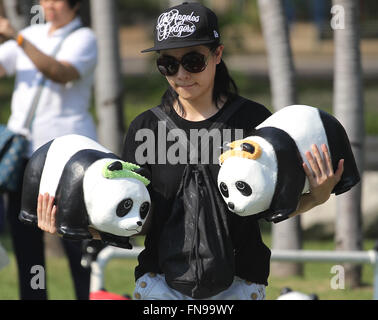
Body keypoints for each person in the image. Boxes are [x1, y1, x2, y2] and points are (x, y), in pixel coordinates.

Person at [38, 1, 343, 300]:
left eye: (193, 61)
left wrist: (317, 196)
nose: (181, 74)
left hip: (240, 284)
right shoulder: (145, 128)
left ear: (218, 54)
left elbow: (266, 208)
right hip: (159, 285)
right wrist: (76, 226)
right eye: (168, 64)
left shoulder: (253, 121)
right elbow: (135, 219)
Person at [0, 0, 97, 300]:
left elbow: (59, 72)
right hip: (25, 156)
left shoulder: (84, 38)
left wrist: (17, 38)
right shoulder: (34, 34)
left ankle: (88, 295)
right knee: (26, 241)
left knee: (75, 239)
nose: (47, 5)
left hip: (68, 157)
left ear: (74, 4)